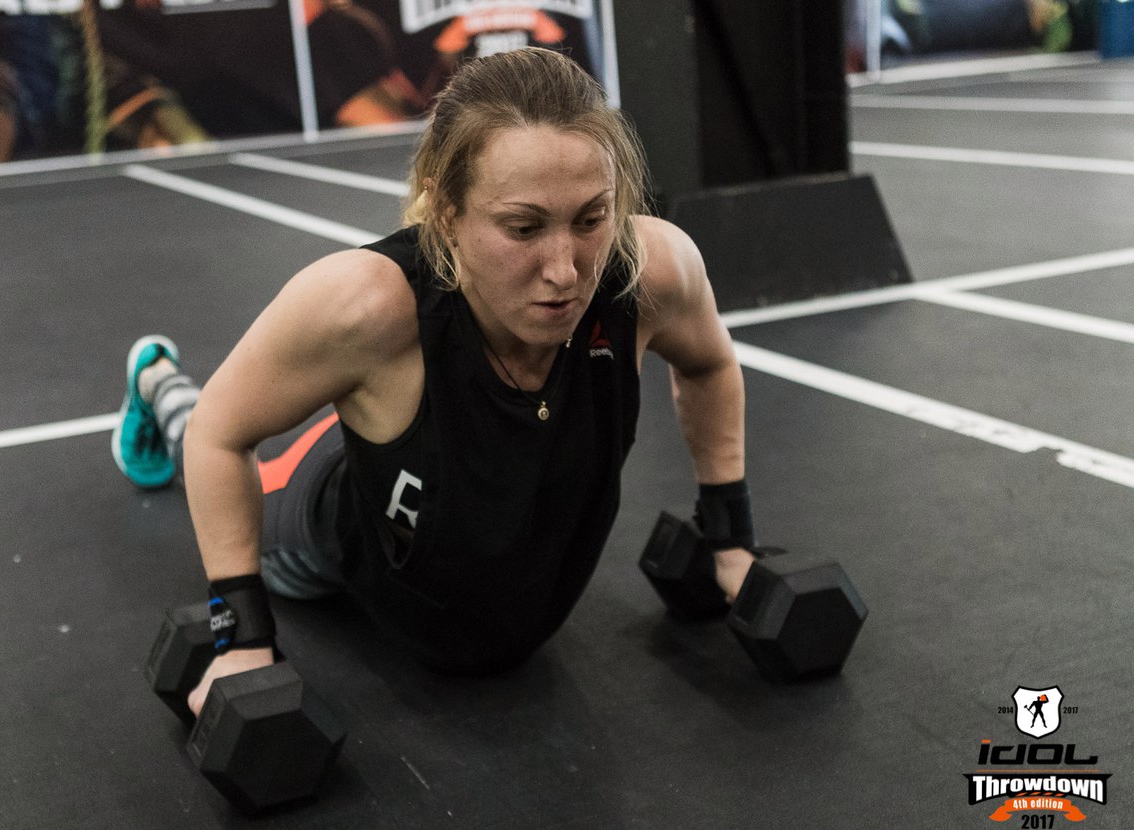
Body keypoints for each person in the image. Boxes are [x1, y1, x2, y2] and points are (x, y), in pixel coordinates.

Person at [112, 47, 754, 716]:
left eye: (591, 219)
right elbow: (220, 434)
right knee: (197, 433)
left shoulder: (650, 274)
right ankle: (158, 382)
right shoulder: (364, 306)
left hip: (453, 457)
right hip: (331, 513)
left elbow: (708, 362)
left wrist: (730, 536)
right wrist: (239, 633)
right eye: (524, 227)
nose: (565, 270)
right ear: (446, 210)